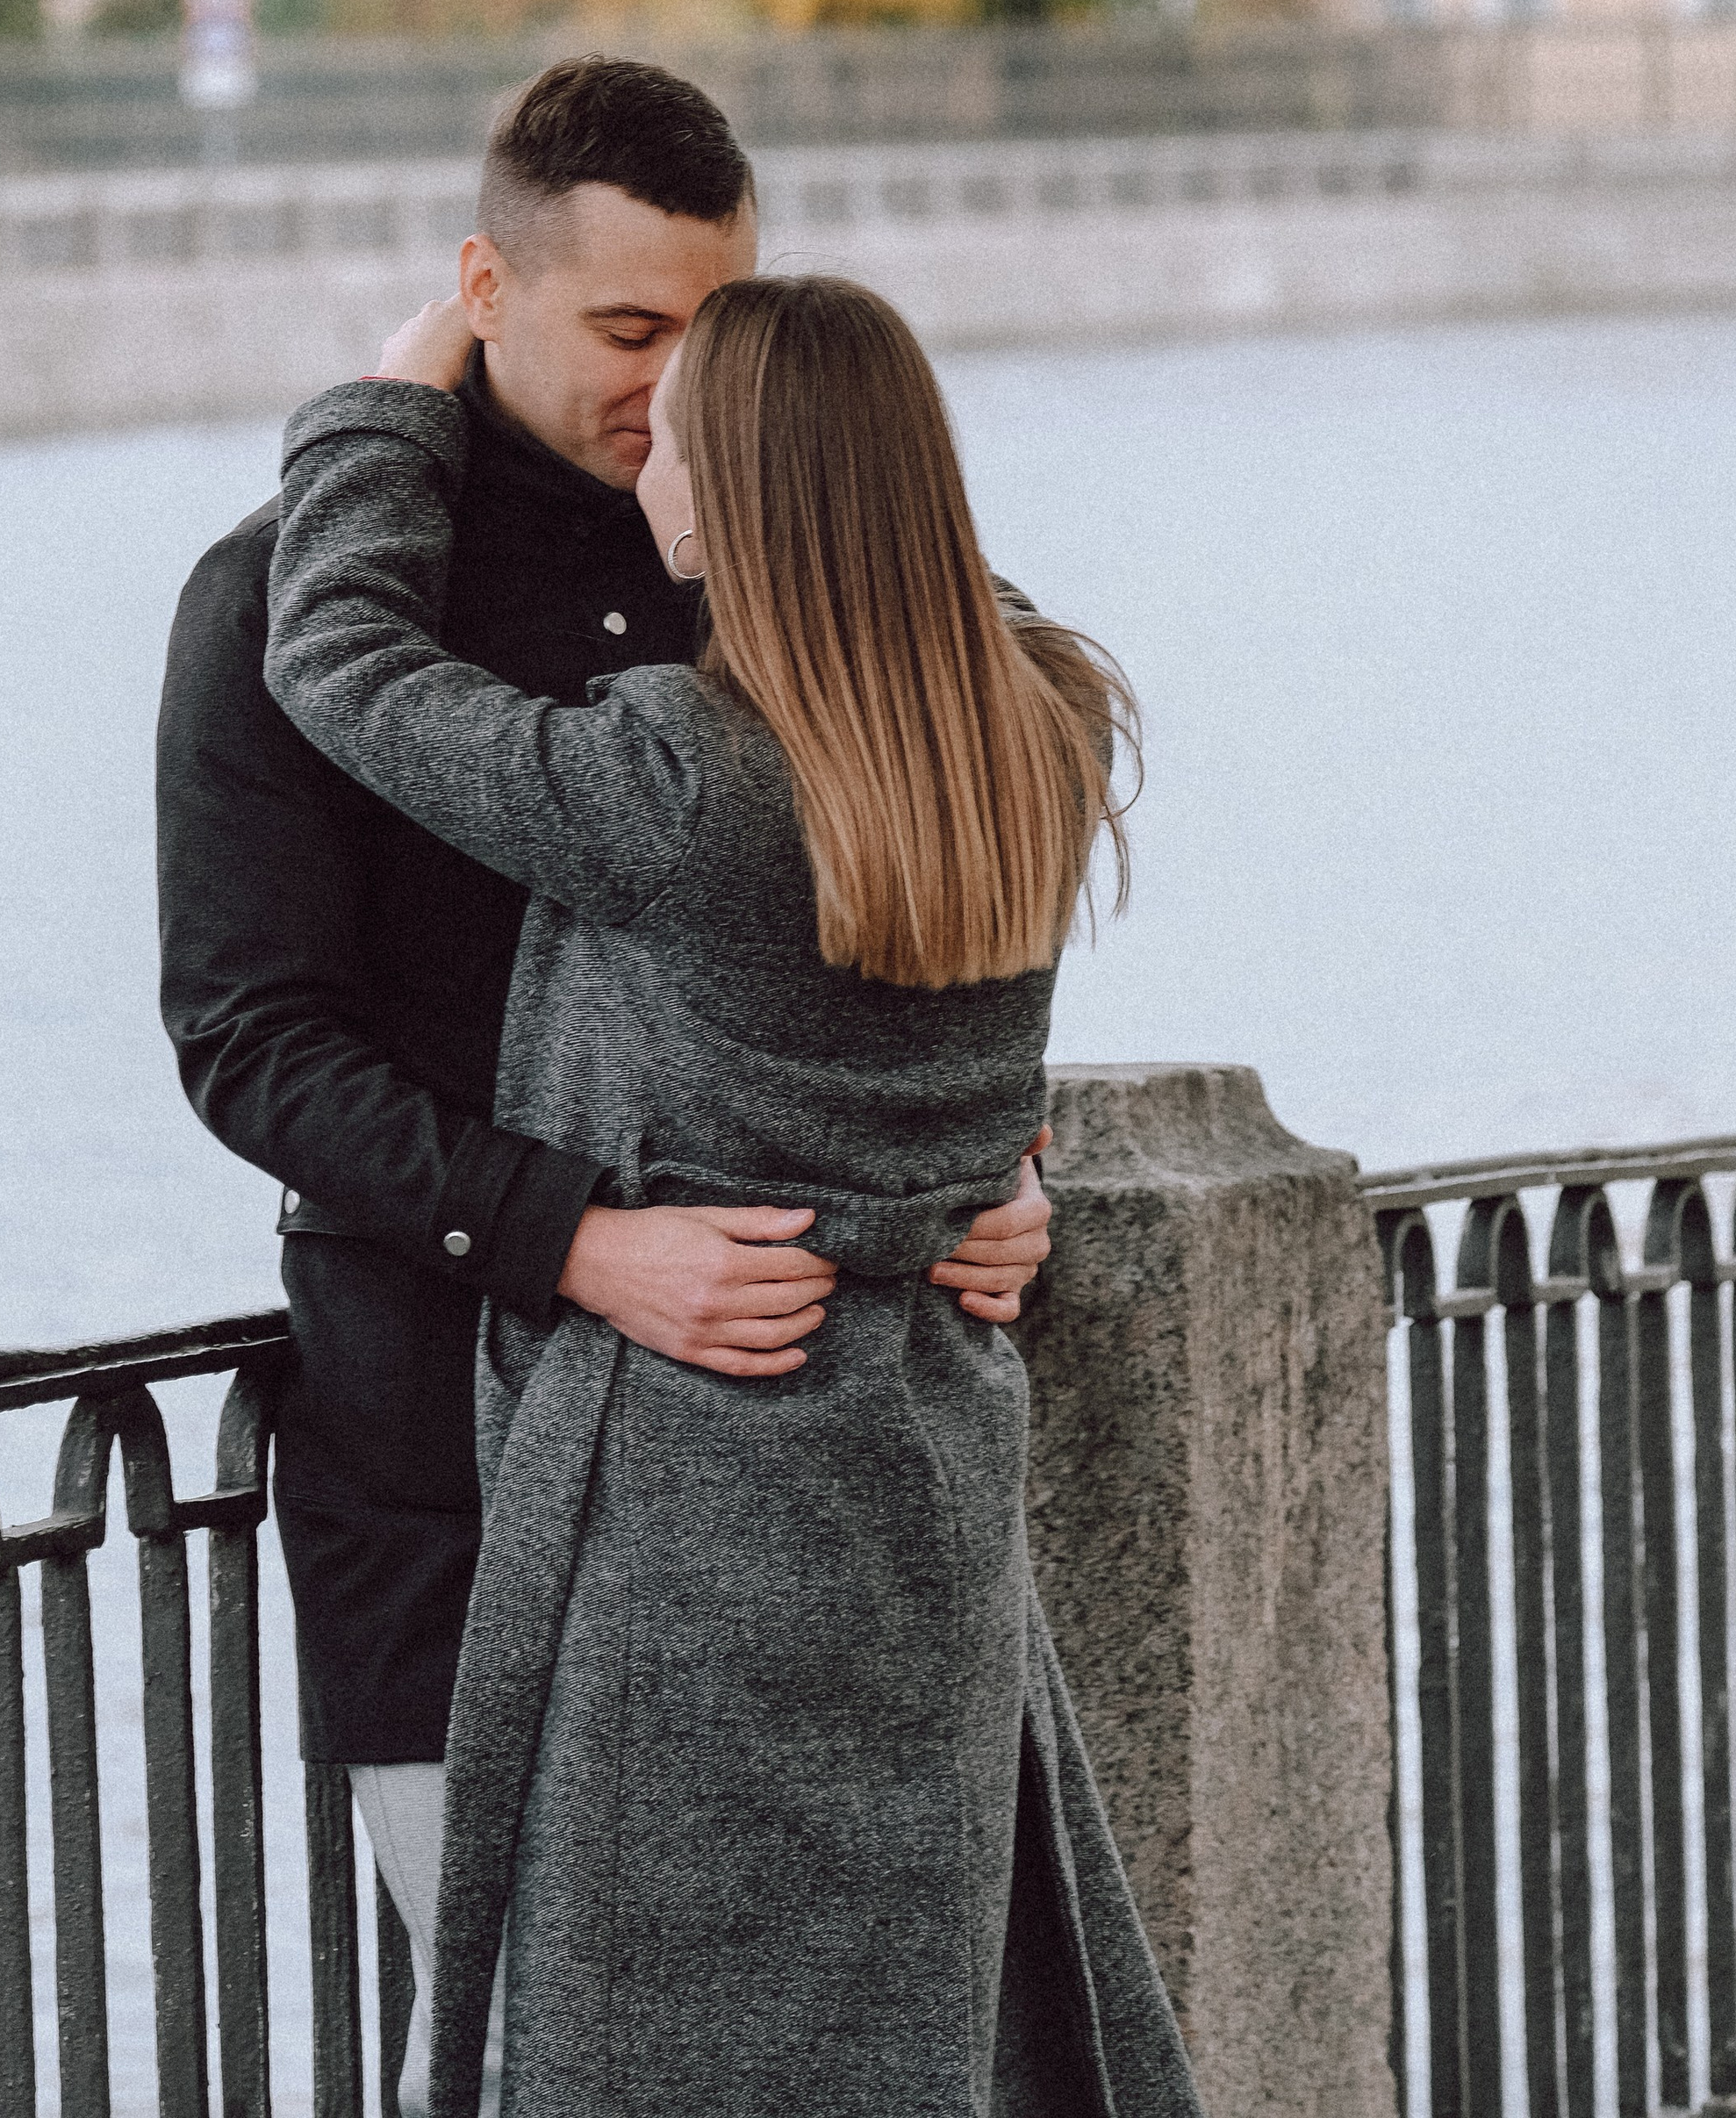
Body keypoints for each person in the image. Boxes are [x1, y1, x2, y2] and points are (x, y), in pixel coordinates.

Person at [155, 59, 1056, 2106]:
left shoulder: (843, 594)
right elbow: (249, 1043)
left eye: (712, 335)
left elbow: (948, 913)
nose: (673, 388)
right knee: (516, 2062)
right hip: (451, 1455)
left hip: (814, 1487)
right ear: (490, 284)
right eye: (630, 332)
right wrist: (577, 1243)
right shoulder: (283, 596)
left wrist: (995, 1164)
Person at [263, 267, 1206, 2118]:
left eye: (678, 436)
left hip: (693, 1512)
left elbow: (341, 665)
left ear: (736, 490)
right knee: (909, 2042)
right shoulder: (1040, 717)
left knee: (650, 2056)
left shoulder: (677, 777)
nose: (645, 473)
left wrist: (389, 408)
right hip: (928, 1486)